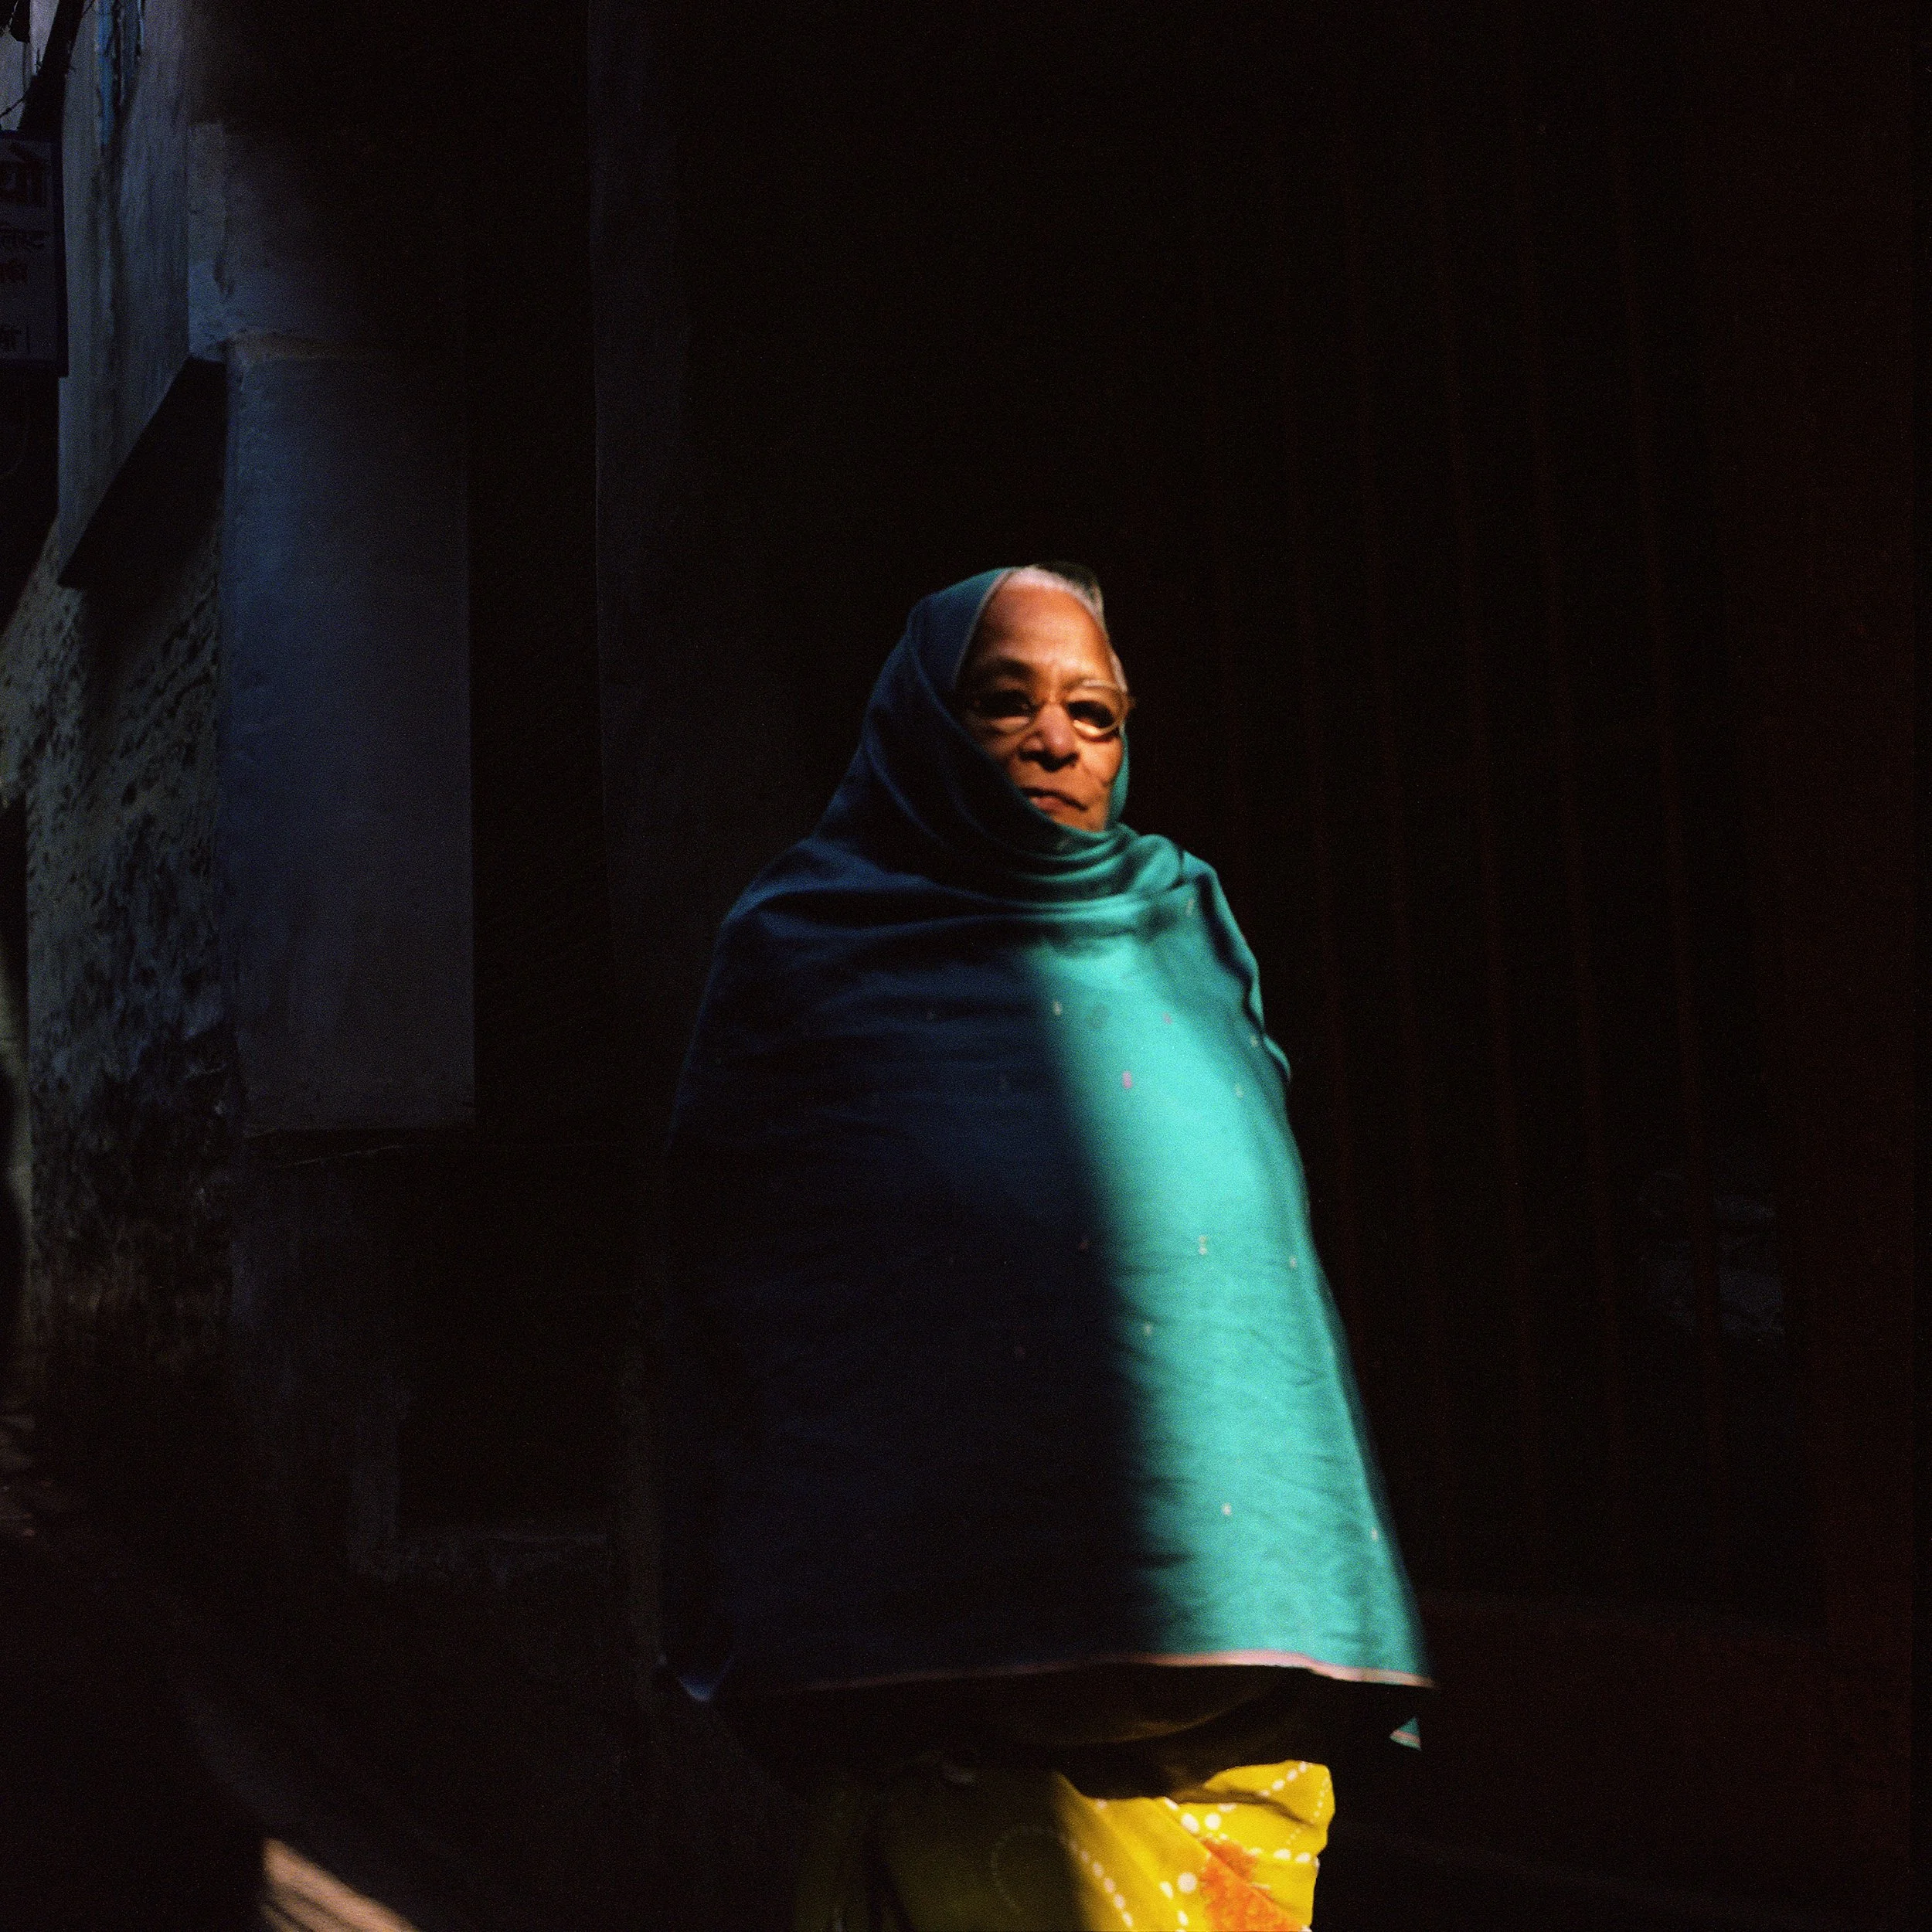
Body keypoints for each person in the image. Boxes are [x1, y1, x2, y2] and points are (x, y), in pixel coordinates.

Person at [665, 566, 1429, 1930]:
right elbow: (743, 1282)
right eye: (1003, 702)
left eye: (1095, 712)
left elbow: (1264, 1274)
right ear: (921, 725)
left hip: (1218, 1666)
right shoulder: (803, 945)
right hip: (933, 1654)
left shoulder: (1182, 918)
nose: (1057, 741)